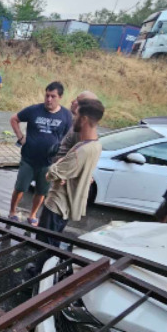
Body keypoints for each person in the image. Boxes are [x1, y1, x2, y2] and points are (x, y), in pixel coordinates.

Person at [38, 98, 105, 245]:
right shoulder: (96, 144)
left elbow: (50, 174)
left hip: (57, 206)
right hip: (66, 207)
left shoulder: (81, 151)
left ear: (84, 119)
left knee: (43, 245)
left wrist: (58, 165)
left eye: (76, 115)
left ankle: (39, 268)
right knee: (51, 244)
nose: (73, 119)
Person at [8, 81, 73, 225]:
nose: (49, 99)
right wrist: (20, 137)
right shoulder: (34, 110)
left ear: (60, 97)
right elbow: (14, 119)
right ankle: (12, 211)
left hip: (48, 163)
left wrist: (62, 161)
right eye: (47, 95)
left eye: (53, 96)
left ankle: (32, 215)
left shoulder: (66, 116)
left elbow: (69, 139)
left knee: (41, 191)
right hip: (29, 159)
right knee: (20, 188)